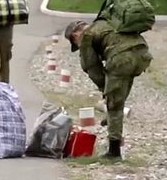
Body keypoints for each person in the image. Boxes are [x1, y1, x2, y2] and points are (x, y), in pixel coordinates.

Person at [64, 18, 153, 160]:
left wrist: (105, 91)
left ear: (75, 35)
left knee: (114, 105)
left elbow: (91, 67)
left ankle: (114, 152)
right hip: (142, 54)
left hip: (121, 59)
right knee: (118, 98)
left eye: (74, 42)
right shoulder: (105, 23)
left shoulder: (86, 37)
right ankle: (113, 127)